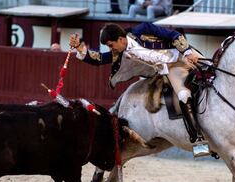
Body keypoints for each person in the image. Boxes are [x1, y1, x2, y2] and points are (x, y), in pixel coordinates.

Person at [69, 22, 210, 156]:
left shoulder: (143, 29)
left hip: (183, 55)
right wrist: (81, 49)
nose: (111, 49)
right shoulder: (119, 52)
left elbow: (173, 34)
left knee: (214, 71)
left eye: (111, 45)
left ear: (120, 39)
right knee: (183, 95)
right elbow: (99, 59)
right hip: (172, 68)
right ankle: (198, 141)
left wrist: (187, 52)